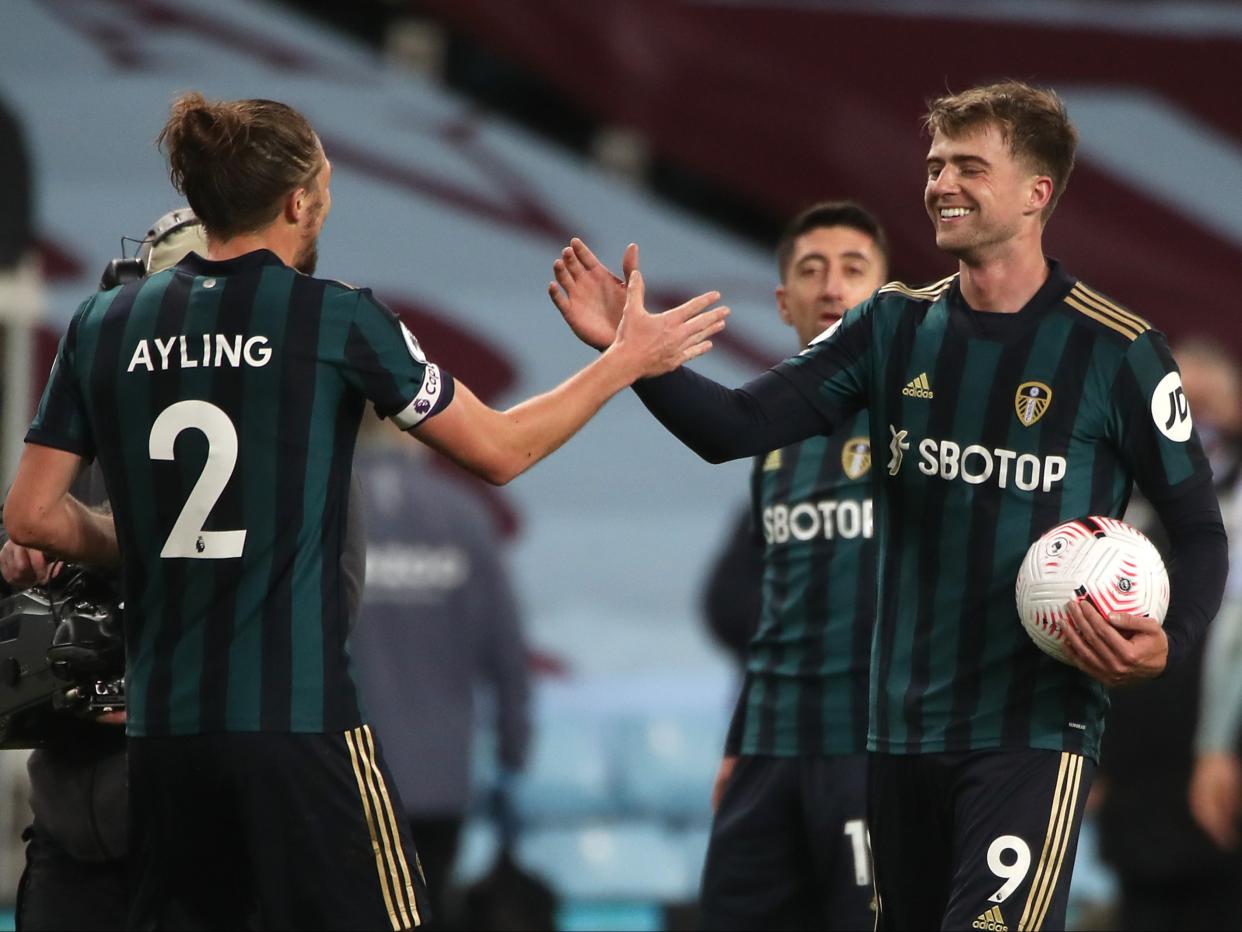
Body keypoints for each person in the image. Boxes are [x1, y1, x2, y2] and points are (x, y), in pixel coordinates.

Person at [3, 92, 727, 930]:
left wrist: (143, 541)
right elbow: (500, 451)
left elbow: (31, 516)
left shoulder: (102, 322)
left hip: (164, 742)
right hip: (297, 727)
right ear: (298, 201)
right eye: (327, 181)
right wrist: (624, 361)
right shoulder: (337, 318)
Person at [550, 81, 1228, 931]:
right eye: (936, 164)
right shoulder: (890, 326)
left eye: (969, 168)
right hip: (897, 736)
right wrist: (631, 357)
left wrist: (1173, 643)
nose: (941, 182)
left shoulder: (1119, 351)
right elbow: (734, 425)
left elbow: (1199, 529)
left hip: (1032, 733)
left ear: (1037, 194)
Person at [685, 202, 888, 930]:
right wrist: (740, 742)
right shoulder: (772, 442)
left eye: (854, 269)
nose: (832, 286)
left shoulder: (921, 425)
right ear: (783, 302)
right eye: (812, 269)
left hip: (870, 756)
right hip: (768, 754)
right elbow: (775, 608)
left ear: (887, 297)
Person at [349, 415, 531, 925]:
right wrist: (513, 759)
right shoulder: (464, 517)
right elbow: (507, 654)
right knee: (426, 908)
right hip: (441, 775)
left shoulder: (316, 512)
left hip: (342, 776)